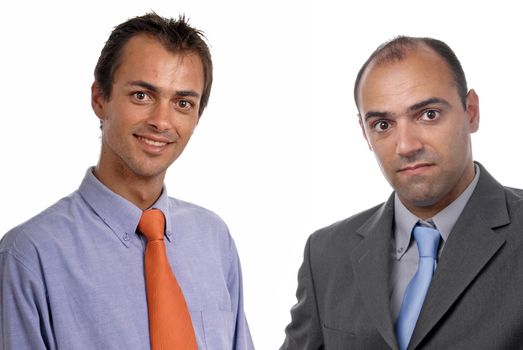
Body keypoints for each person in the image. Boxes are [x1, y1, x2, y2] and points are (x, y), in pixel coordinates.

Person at [0, 13, 254, 350]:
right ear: (99, 99)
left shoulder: (214, 239)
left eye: (182, 103)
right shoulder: (30, 255)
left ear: (197, 116)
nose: (162, 121)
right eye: (142, 96)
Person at [281, 36, 523, 349]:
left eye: (429, 114)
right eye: (383, 124)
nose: (406, 145)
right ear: (365, 134)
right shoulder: (326, 254)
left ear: (471, 111)